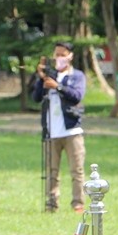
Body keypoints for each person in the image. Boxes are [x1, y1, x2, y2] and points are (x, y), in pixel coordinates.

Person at [32, 42, 86, 213]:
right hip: (51, 131)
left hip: (71, 130)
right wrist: (41, 79)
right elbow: (36, 97)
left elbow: (77, 95)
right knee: (51, 171)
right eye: (57, 54)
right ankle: (51, 203)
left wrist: (58, 86)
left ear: (70, 56)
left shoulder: (76, 76)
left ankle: (78, 203)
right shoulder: (50, 75)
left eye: (63, 54)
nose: (59, 58)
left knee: (76, 169)